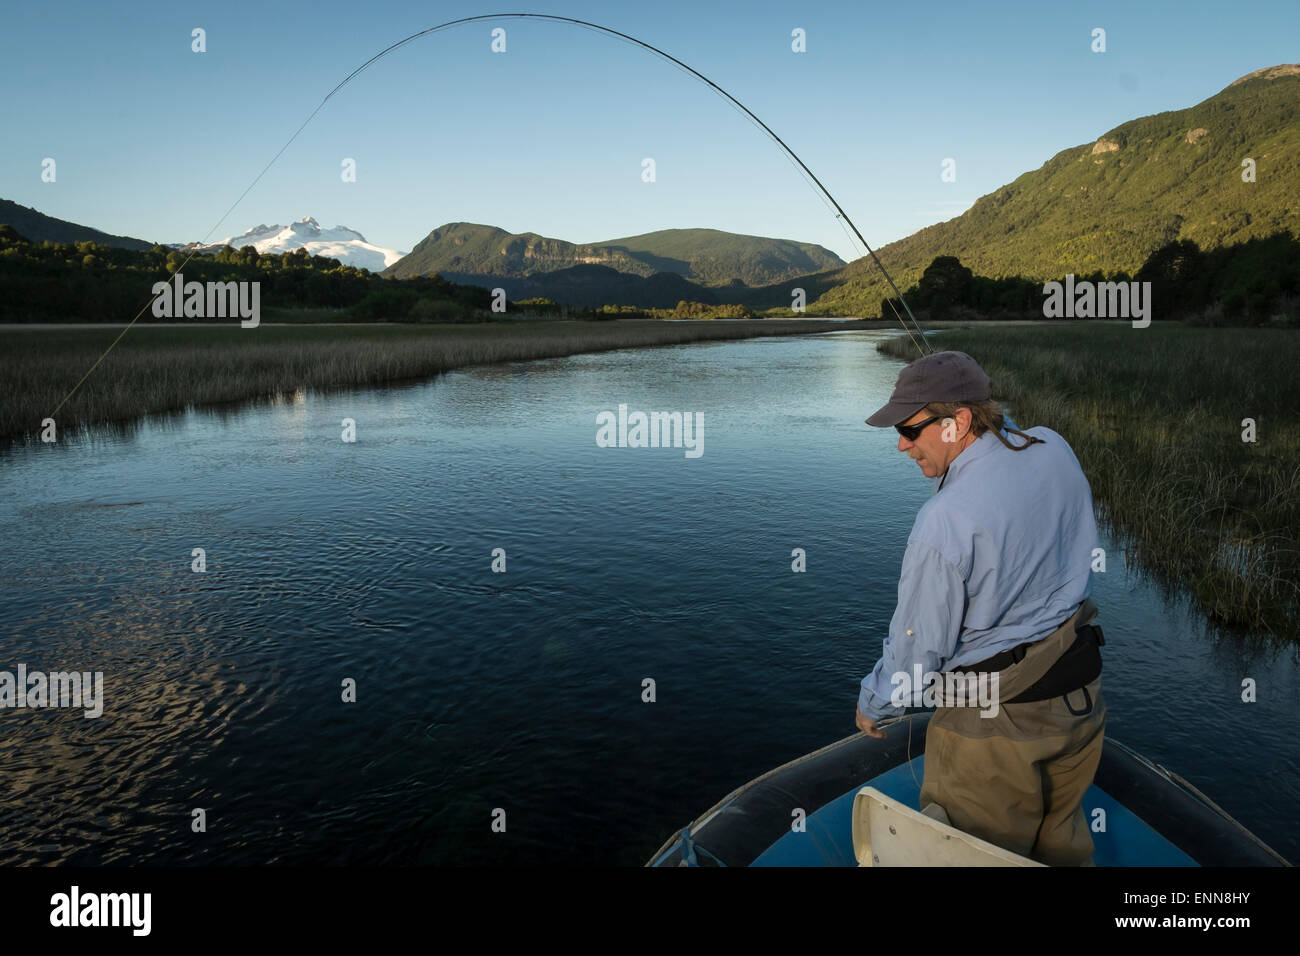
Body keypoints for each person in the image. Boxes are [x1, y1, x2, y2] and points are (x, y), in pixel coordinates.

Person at [854, 349, 1107, 866]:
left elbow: (917, 650)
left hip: (993, 729)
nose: (902, 445)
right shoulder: (1053, 447)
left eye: (909, 427)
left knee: (977, 854)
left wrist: (874, 703)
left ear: (959, 421)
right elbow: (1007, 440)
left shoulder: (943, 521)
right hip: (1079, 698)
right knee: (1064, 850)